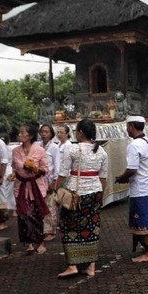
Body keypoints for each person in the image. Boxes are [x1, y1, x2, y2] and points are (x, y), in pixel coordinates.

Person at [56, 119, 108, 278]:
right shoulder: (102, 151)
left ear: (80, 133)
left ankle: (72, 265)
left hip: (75, 194)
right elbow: (103, 178)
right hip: (95, 192)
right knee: (92, 227)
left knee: (69, 227)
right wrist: (101, 197)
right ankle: (91, 266)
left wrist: (56, 190)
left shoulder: (72, 149)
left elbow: (63, 174)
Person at [115, 115, 148, 262]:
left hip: (142, 189)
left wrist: (120, 178)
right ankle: (147, 249)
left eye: (127, 126)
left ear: (131, 126)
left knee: (142, 220)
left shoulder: (134, 145)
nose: (126, 129)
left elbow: (132, 169)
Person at [8, 122, 49, 254]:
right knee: (24, 214)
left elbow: (45, 170)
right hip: (21, 186)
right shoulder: (15, 151)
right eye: (19, 133)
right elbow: (15, 167)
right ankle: (28, 242)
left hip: (36, 186)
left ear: (30, 135)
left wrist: (36, 169)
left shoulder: (39, 150)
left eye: (22, 133)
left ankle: (40, 242)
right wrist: (13, 174)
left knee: (36, 215)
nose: (19, 135)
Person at [36, 124, 60, 243]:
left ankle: (51, 231)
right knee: (40, 205)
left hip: (49, 180)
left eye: (47, 132)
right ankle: (42, 229)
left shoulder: (54, 147)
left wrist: (54, 182)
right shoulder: (37, 146)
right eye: (42, 131)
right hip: (38, 180)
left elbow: (57, 166)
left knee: (50, 206)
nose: (44, 134)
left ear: (51, 134)